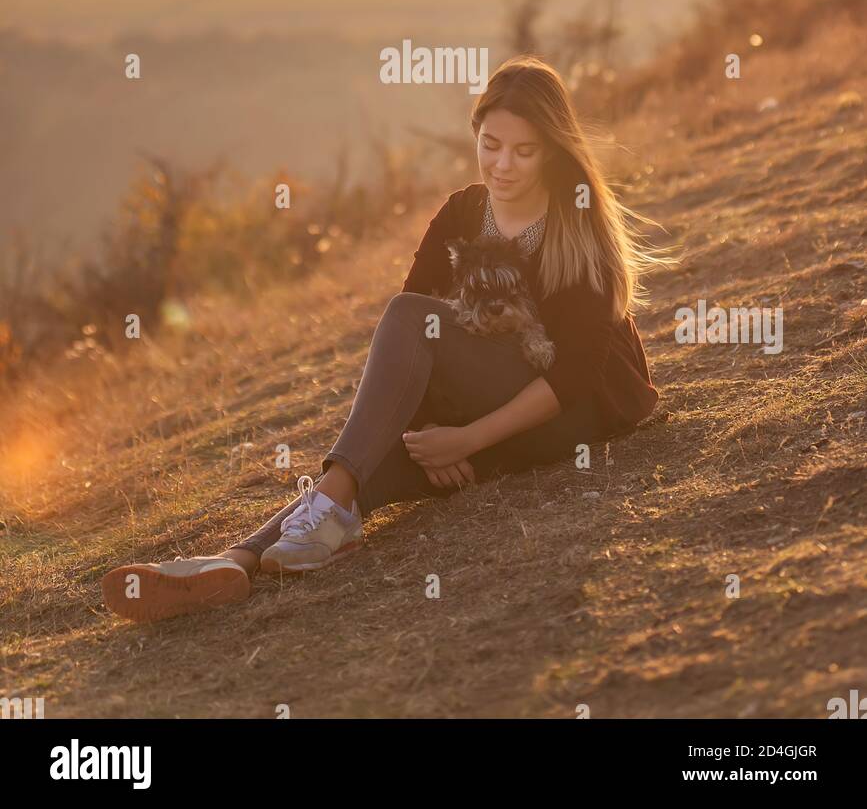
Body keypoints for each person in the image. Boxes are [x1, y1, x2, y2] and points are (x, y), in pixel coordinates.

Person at [102, 54, 668, 622]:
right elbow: (417, 351)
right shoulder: (462, 211)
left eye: (525, 151)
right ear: (475, 131)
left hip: (567, 415)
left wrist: (467, 439)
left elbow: (570, 378)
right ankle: (233, 561)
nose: (503, 164)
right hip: (487, 400)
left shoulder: (576, 220)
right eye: (491, 144)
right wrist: (428, 431)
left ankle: (299, 528)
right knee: (368, 462)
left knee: (402, 322)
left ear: (553, 148)